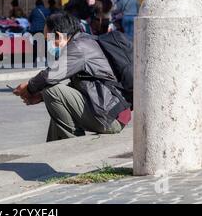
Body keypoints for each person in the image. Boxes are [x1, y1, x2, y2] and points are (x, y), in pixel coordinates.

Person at [13, 14, 131, 142]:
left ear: (58, 35)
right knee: (56, 104)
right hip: (110, 112)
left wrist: (29, 88)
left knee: (53, 92)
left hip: (109, 117)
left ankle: (74, 147)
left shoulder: (79, 47)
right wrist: (40, 96)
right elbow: (85, 87)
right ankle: (53, 153)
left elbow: (50, 76)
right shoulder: (86, 42)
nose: (48, 44)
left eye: (48, 39)